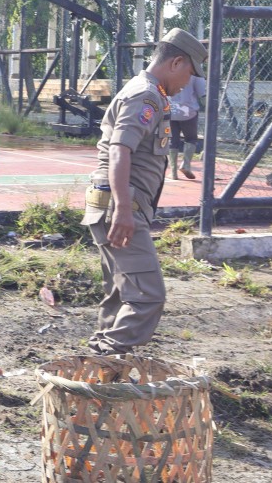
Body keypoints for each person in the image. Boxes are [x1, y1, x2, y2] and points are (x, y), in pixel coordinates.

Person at [82, 28, 207, 356]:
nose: (188, 83)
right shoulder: (146, 94)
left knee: (121, 294)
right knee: (148, 296)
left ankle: (100, 372)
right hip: (122, 208)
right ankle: (101, 362)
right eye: (190, 74)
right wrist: (124, 209)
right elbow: (120, 150)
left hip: (112, 203)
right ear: (176, 62)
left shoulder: (146, 91)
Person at [168, 74, 207, 179]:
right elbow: (202, 94)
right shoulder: (195, 72)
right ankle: (186, 164)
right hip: (188, 111)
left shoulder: (169, 66)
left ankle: (173, 172)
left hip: (170, 109)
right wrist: (210, 109)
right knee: (191, 138)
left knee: (172, 139)